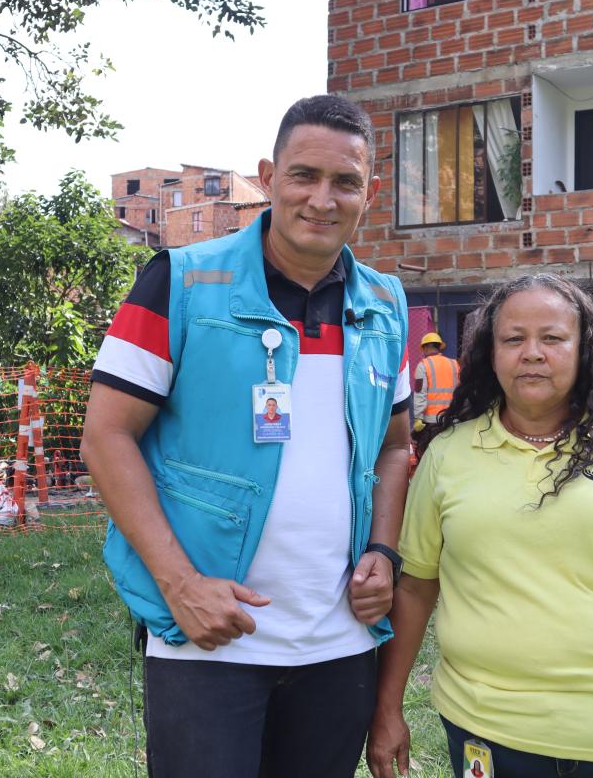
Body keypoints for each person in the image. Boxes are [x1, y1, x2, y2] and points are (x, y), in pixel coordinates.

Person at [81, 95, 413, 777]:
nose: (322, 199)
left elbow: (393, 444)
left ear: (370, 193)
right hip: (207, 640)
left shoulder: (384, 305)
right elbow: (106, 437)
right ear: (268, 176)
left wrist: (382, 548)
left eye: (345, 182)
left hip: (339, 645)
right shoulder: (179, 282)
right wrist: (180, 586)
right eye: (303, 176)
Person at [367, 274, 593, 778]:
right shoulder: (449, 455)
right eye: (513, 339)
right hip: (487, 728)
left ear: (584, 350)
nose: (532, 353)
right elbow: (414, 590)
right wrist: (387, 709)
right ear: (490, 354)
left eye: (553, 338)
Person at [412, 332, 460, 454]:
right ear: (439, 347)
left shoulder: (423, 365)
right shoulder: (454, 364)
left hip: (432, 422)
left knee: (431, 455)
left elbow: (420, 393)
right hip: (452, 418)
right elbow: (460, 390)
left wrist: (418, 417)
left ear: (426, 347)